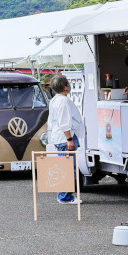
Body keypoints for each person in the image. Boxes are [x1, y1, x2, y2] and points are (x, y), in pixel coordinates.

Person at [46, 75, 87, 205]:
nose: (69, 84)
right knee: (68, 168)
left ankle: (63, 195)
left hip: (59, 137)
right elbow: (64, 122)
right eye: (68, 83)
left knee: (64, 166)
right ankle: (65, 197)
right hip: (65, 137)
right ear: (65, 86)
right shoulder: (63, 101)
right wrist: (69, 139)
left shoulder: (55, 100)